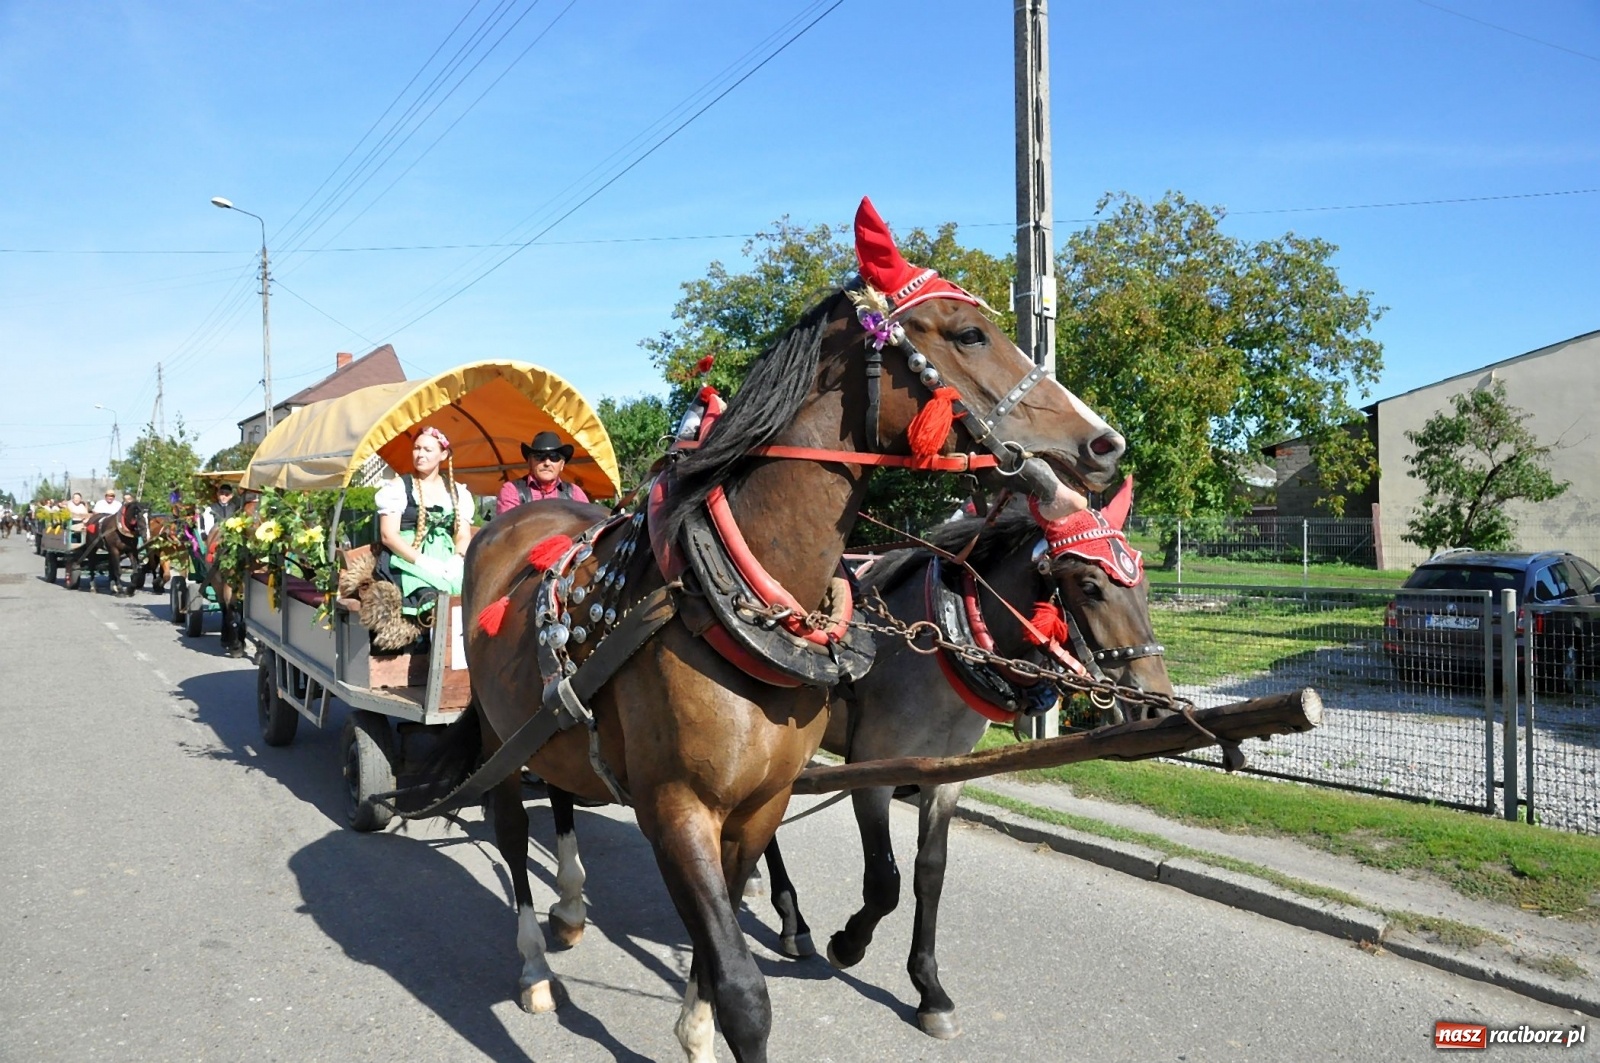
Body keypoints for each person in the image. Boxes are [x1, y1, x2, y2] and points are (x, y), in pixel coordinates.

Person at [376, 426, 474, 614]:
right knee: (429, 596)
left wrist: (458, 559)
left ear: (443, 455)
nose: (420, 454)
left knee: (475, 592)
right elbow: (388, 535)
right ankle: (426, 641)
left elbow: (463, 534)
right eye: (417, 448)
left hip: (448, 561)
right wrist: (423, 562)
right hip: (406, 559)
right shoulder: (398, 488)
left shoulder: (457, 492)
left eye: (428, 450)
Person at [496, 430, 589, 515]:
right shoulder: (512, 490)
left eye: (554, 457)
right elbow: (509, 529)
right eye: (539, 456)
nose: (547, 463)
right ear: (529, 462)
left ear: (562, 465)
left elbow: (590, 527)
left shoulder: (574, 493)